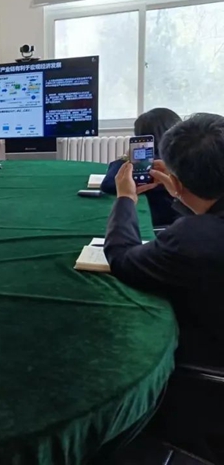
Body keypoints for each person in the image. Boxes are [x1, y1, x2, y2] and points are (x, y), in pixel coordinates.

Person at [104, 113, 224, 461]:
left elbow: (122, 259)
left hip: (202, 383)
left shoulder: (192, 239)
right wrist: (182, 195)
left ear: (178, 179)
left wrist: (126, 199)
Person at [100, 107, 182, 227]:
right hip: (179, 221)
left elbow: (107, 185)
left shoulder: (145, 163)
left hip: (151, 222)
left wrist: (125, 157)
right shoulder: (183, 158)